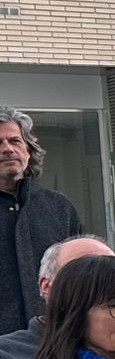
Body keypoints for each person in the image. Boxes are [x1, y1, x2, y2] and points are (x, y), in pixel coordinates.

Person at [0, 109, 84, 335]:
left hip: (56, 340)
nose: (8, 149)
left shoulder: (59, 207)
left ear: (28, 150)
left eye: (15, 140)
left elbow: (83, 274)